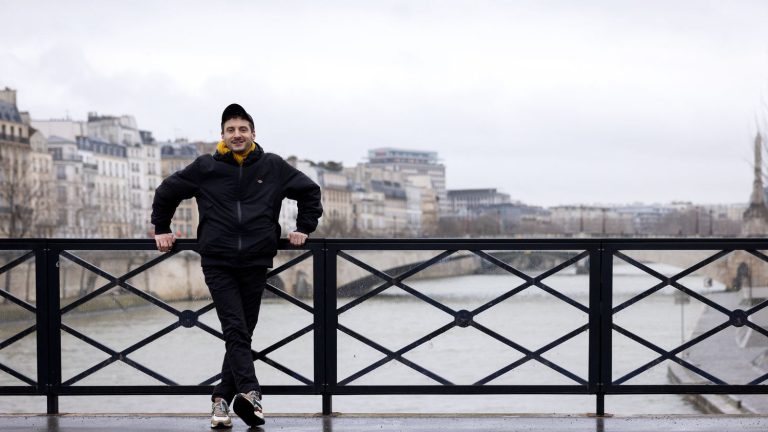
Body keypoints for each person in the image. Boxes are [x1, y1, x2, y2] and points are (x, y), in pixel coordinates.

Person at [151, 103, 322, 428]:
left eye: (242, 129)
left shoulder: (272, 166)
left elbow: (309, 192)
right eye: (231, 130)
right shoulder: (206, 167)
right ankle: (251, 393)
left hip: (257, 260)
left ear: (253, 134)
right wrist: (162, 228)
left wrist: (303, 228)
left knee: (242, 333)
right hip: (218, 261)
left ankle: (220, 402)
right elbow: (167, 192)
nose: (237, 135)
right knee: (235, 329)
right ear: (223, 135)